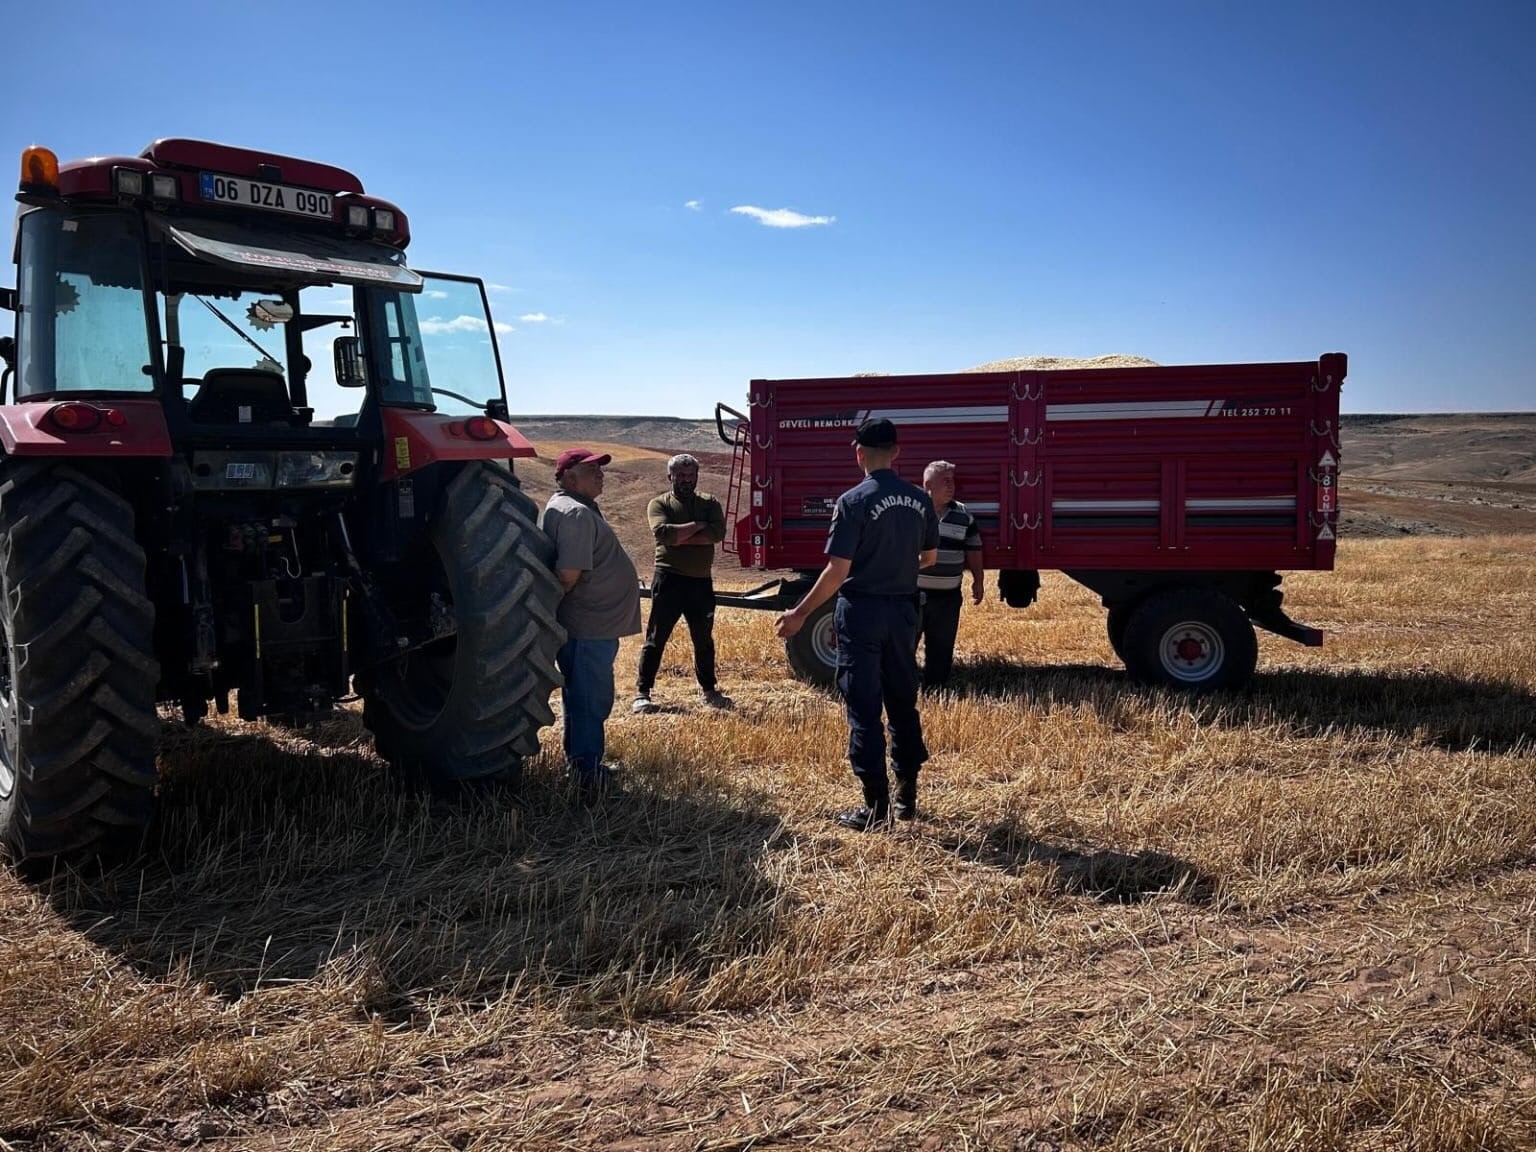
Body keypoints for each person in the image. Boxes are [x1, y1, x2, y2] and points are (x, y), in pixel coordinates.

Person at [775, 418, 940, 830]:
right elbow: (930, 559)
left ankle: (875, 807)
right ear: (897, 452)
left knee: (864, 706)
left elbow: (836, 571)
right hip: (904, 611)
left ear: (859, 454)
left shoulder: (852, 500)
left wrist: (799, 614)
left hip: (862, 612)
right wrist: (898, 566)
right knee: (903, 700)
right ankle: (907, 799)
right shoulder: (921, 500)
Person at [540, 447, 643, 800]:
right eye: (591, 469)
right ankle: (586, 773)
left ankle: (583, 762)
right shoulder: (574, 514)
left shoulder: (575, 509)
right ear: (569, 477)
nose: (601, 474)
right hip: (587, 627)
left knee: (584, 695)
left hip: (592, 625)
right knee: (588, 697)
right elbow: (568, 574)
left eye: (601, 468)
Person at [634, 453, 732, 713]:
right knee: (656, 637)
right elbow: (663, 534)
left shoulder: (709, 502)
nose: (686, 480)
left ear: (697, 476)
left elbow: (717, 533)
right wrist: (699, 527)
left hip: (701, 582)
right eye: (681, 475)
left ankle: (709, 691)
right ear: (670, 477)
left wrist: (680, 535)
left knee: (703, 639)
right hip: (669, 579)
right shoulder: (659, 503)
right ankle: (642, 693)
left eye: (690, 475)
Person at [917, 460, 985, 688]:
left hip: (947, 598)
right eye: (945, 481)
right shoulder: (913, 512)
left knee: (942, 648)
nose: (951, 486)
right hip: (911, 595)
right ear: (928, 484)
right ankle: (905, 690)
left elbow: (974, 549)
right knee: (904, 646)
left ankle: (935, 690)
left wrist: (978, 581)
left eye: (952, 481)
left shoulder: (963, 514)